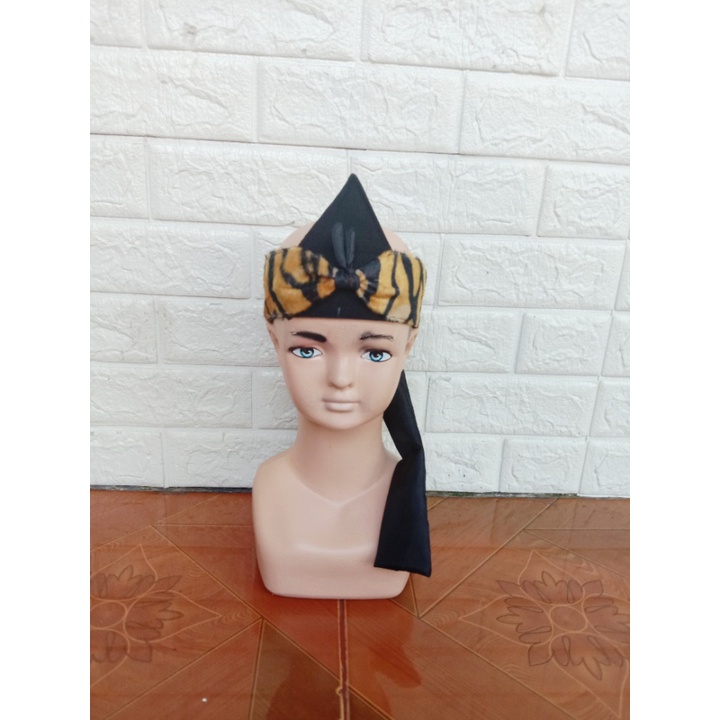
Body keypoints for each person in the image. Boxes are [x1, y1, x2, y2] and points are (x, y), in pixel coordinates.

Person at [252, 174, 431, 598]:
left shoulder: (402, 494)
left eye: (375, 353)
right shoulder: (269, 486)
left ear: (408, 348)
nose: (341, 378)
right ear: (275, 341)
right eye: (308, 350)